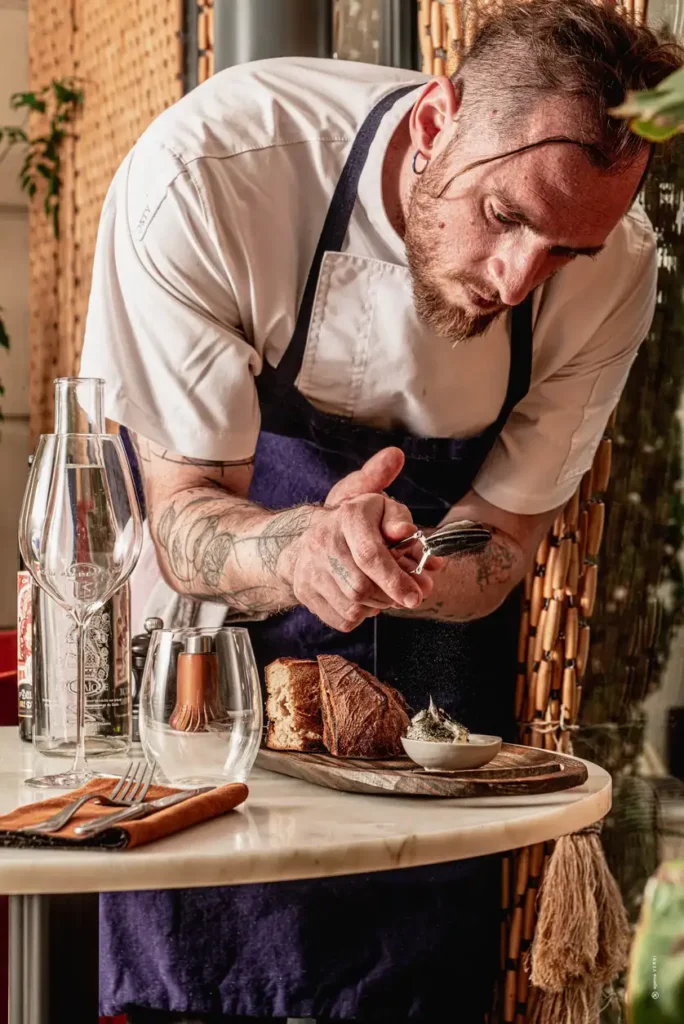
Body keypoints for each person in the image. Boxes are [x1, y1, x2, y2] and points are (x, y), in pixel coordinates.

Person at [80, 1, 682, 1020]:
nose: (519, 277)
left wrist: (415, 571)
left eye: (564, 251)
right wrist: (306, 546)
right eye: (504, 216)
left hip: (431, 710)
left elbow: (507, 535)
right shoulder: (214, 173)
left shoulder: (612, 267)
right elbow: (178, 514)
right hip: (213, 685)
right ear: (435, 121)